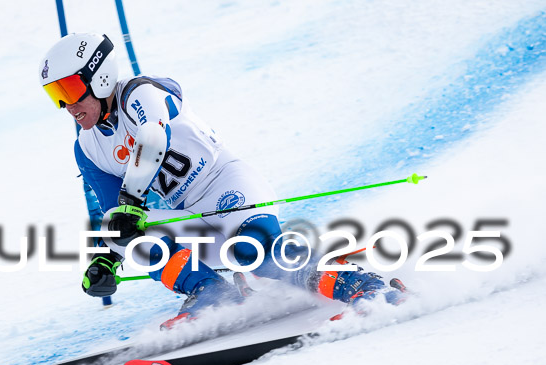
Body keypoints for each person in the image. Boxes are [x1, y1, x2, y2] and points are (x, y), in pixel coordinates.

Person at [39, 33, 404, 326]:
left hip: (227, 186)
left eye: (70, 90)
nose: (67, 105)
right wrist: (106, 258)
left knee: (254, 251)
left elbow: (153, 137)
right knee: (126, 235)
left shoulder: (140, 92)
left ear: (99, 75)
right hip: (189, 214)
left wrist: (132, 205)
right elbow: (114, 216)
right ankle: (213, 294)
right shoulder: (86, 148)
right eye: (56, 95)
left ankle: (364, 286)